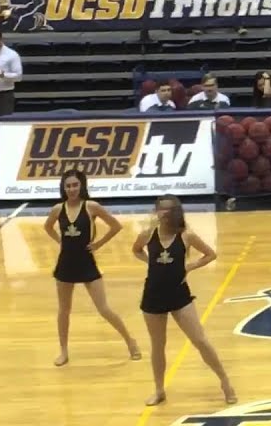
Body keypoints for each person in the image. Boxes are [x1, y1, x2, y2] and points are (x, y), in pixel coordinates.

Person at [133, 194, 236, 406]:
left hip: (179, 295)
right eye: (161, 208)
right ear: (157, 211)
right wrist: (150, 262)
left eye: (170, 209)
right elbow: (135, 250)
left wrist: (188, 267)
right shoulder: (147, 235)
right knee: (158, 345)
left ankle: (225, 381)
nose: (165, 213)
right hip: (152, 294)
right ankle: (159, 390)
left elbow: (210, 254)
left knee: (199, 340)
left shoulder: (186, 236)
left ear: (176, 212)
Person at [44, 169, 140, 367]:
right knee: (64, 310)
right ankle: (63, 351)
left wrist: (98, 244)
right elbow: (47, 227)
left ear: (82, 186)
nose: (71, 189)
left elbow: (115, 226)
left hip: (86, 262)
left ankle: (130, 342)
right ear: (63, 187)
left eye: (75, 185)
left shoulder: (91, 207)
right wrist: (59, 241)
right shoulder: (57, 209)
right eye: (68, 185)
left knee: (104, 308)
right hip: (65, 263)